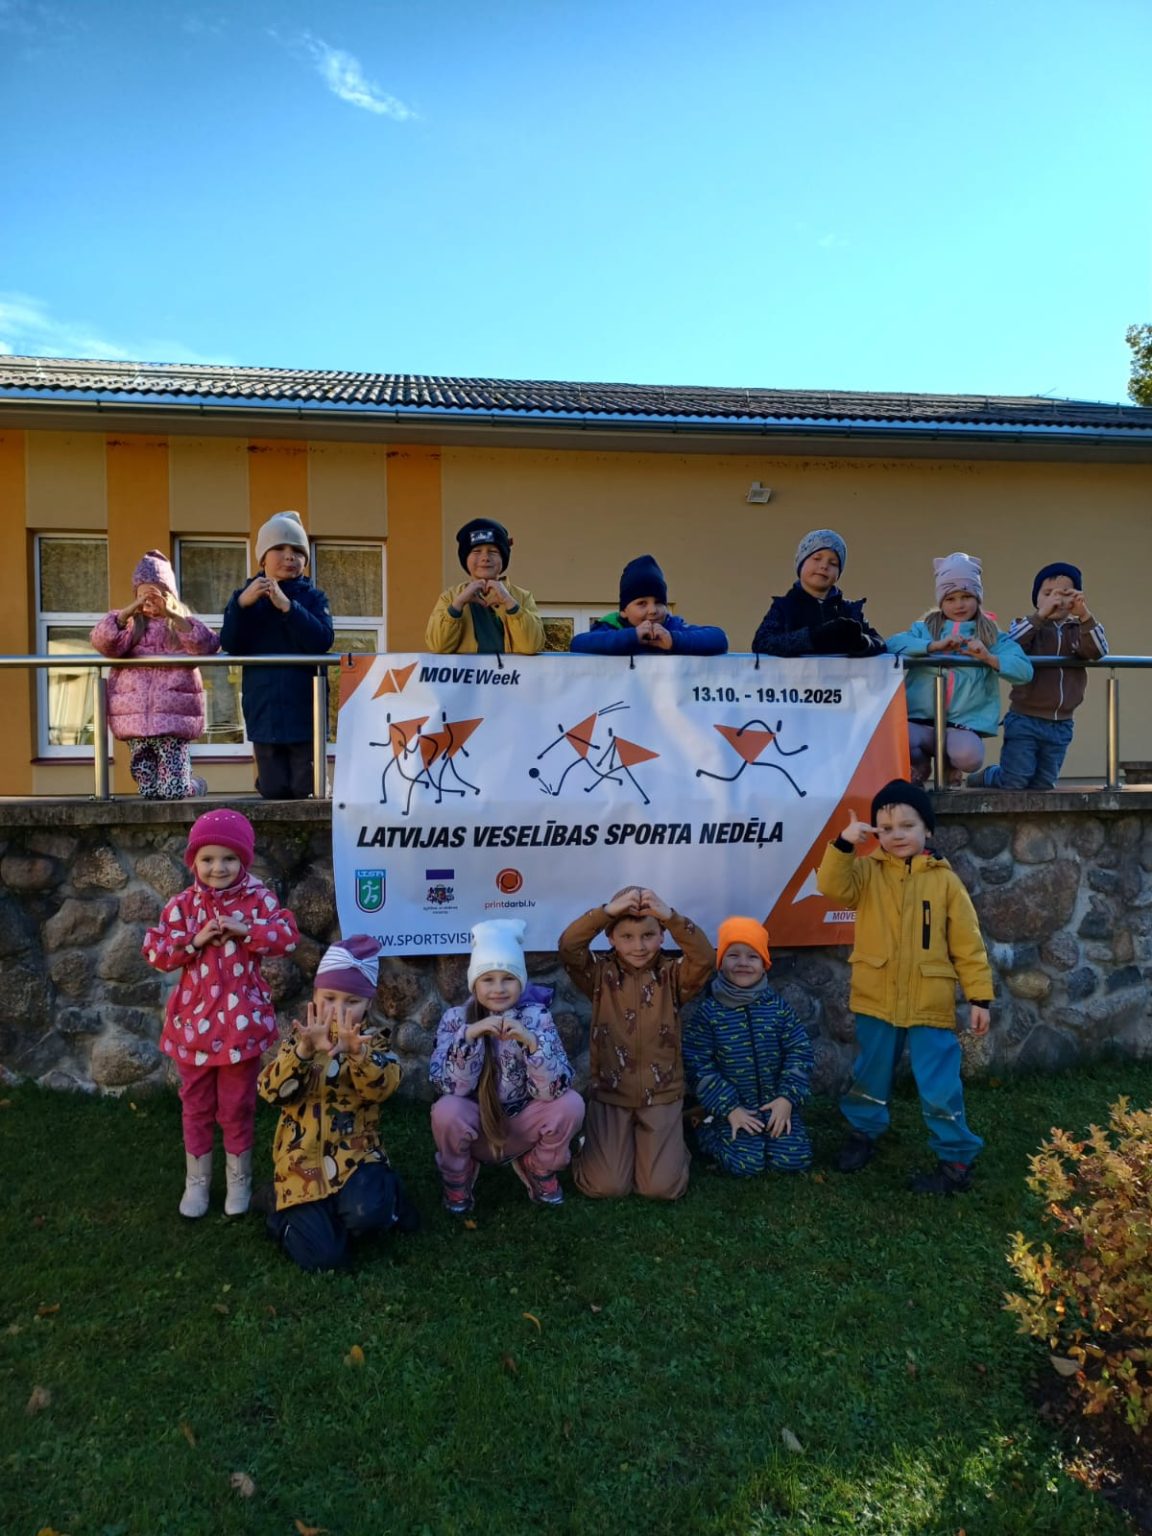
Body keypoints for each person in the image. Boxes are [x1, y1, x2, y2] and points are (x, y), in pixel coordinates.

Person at [817, 779, 994, 1195]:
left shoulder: (946, 882)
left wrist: (979, 997)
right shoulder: (866, 872)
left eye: (907, 825)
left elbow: (968, 944)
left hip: (929, 1002)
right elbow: (832, 887)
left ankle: (955, 1160)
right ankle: (862, 1133)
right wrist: (844, 845)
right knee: (870, 1075)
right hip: (876, 998)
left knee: (940, 1085)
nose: (897, 835)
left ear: (927, 829)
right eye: (886, 827)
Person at [142, 808, 300, 1218]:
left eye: (229, 858)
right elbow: (156, 952)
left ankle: (238, 1180)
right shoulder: (181, 906)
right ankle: (196, 1182)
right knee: (195, 1105)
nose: (218, 868)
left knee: (236, 1105)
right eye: (208, 858)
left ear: (244, 859)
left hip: (240, 1026)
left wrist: (247, 930)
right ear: (193, 861)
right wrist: (194, 941)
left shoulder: (259, 899)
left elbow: (287, 938)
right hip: (192, 1026)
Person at [258, 935, 417, 1271]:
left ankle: (385, 1198)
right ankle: (279, 1207)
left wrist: (358, 1054)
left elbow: (382, 1088)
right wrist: (303, 1053)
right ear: (315, 997)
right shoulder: (297, 1044)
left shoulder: (373, 1046)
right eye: (329, 998)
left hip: (356, 1159)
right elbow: (270, 1091)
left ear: (368, 1004)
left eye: (352, 1001)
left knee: (367, 1215)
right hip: (301, 1165)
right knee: (326, 1258)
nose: (338, 1010)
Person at [559, 887, 714, 1199]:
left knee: (661, 1188)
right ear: (611, 938)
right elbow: (569, 947)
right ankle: (591, 1144)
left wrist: (670, 916)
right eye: (627, 936)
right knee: (605, 1187)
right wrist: (607, 911)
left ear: (662, 936)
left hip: (661, 1095)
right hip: (611, 1094)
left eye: (648, 935)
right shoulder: (599, 974)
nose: (639, 946)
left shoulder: (673, 975)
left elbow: (704, 958)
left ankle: (673, 1147)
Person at [430, 919, 584, 1212]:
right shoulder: (456, 1019)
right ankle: (458, 1176)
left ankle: (538, 1167)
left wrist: (532, 1044)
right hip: (479, 1127)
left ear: (521, 982)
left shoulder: (537, 1017)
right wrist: (469, 1038)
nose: (498, 989)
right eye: (488, 979)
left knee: (571, 1104)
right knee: (446, 1110)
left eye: (508, 979)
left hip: (522, 1127)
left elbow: (553, 1090)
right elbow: (448, 1087)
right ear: (474, 983)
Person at [886, 552, 1032, 787]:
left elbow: (1024, 671)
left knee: (969, 757)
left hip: (962, 726)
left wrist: (988, 658)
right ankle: (921, 763)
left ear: (978, 597)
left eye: (966, 596)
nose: (959, 604)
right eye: (950, 598)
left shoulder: (990, 635)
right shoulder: (924, 629)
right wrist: (932, 647)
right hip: (920, 722)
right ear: (941, 601)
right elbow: (892, 645)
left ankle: (950, 762)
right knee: (894, 739)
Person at [682, 917, 813, 1176]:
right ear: (721, 962)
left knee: (793, 1160)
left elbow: (800, 1051)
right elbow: (698, 1064)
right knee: (745, 1165)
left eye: (752, 957)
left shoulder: (778, 1008)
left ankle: (780, 1125)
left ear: (764, 964)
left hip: (775, 1104)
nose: (743, 963)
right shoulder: (709, 1013)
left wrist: (787, 1099)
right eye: (733, 955)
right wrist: (729, 1108)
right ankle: (704, 1124)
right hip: (732, 1108)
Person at [220, 510, 334, 799]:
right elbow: (231, 643)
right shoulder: (246, 597)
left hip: (305, 712)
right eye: (279, 548)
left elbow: (322, 640)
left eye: (297, 551)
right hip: (264, 710)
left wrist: (288, 607)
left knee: (306, 789)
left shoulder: (313, 598)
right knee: (273, 789)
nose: (289, 556)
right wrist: (240, 605)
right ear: (262, 558)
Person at [89, 549, 219, 798]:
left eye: (156, 594)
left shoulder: (180, 624)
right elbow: (103, 642)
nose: (149, 601)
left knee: (173, 790)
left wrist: (172, 614)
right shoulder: (130, 626)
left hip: (172, 718)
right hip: (135, 719)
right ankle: (175, 789)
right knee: (148, 788)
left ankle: (193, 785)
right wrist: (127, 612)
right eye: (142, 595)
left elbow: (207, 645)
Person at [968, 562, 1108, 790]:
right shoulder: (1026, 625)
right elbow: (1012, 644)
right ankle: (990, 775)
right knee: (1015, 780)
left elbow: (1099, 651)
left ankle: (1012, 777)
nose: (1056, 600)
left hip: (1062, 722)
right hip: (1025, 718)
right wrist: (1041, 616)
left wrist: (1084, 614)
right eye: (1048, 593)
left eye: (1065, 593)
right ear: (1037, 599)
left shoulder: (1078, 630)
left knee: (1043, 784)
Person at [751, 529, 885, 656]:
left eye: (833, 563)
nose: (824, 566)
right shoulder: (784, 607)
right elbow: (762, 643)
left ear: (839, 573)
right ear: (801, 563)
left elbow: (880, 644)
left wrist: (861, 642)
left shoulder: (850, 610)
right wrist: (813, 636)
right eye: (816, 558)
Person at [426, 518, 545, 655]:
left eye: (493, 551)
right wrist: (458, 604)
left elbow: (531, 646)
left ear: (503, 558)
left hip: (510, 670)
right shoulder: (449, 597)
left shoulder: (523, 597)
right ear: (465, 559)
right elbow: (438, 646)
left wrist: (509, 602)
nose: (485, 558)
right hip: (468, 670)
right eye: (476, 551)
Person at [570, 555, 728, 655]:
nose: (652, 610)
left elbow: (719, 639)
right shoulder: (610, 627)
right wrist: (632, 637)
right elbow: (578, 643)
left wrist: (674, 640)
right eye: (642, 603)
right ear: (624, 611)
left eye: (658, 602)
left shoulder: (673, 627)